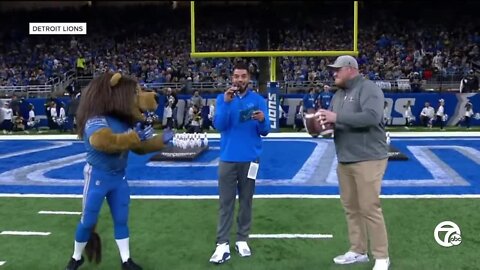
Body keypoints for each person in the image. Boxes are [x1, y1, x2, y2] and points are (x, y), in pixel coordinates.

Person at [65, 72, 173, 270]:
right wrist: (133, 137)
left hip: (118, 177)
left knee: (121, 219)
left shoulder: (124, 122)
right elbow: (102, 142)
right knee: (88, 220)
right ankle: (76, 257)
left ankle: (126, 260)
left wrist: (159, 141)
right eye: (134, 94)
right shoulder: (97, 120)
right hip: (98, 176)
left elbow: (139, 148)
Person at [318, 55, 390, 270]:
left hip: (369, 157)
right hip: (345, 157)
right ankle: (358, 250)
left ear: (350, 69)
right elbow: (335, 123)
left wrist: (336, 118)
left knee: (369, 207)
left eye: (337, 70)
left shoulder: (368, 88)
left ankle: (382, 256)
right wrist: (320, 127)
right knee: (351, 207)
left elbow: (371, 117)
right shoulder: (338, 94)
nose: (334, 74)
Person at [209, 62, 270, 264]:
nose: (239, 80)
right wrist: (226, 103)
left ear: (249, 79)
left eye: (243, 76)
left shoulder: (259, 100)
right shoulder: (222, 99)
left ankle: (242, 239)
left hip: (250, 159)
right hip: (227, 159)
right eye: (236, 76)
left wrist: (262, 120)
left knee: (246, 201)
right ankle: (222, 243)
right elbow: (219, 125)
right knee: (226, 202)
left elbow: (265, 131)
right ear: (232, 78)